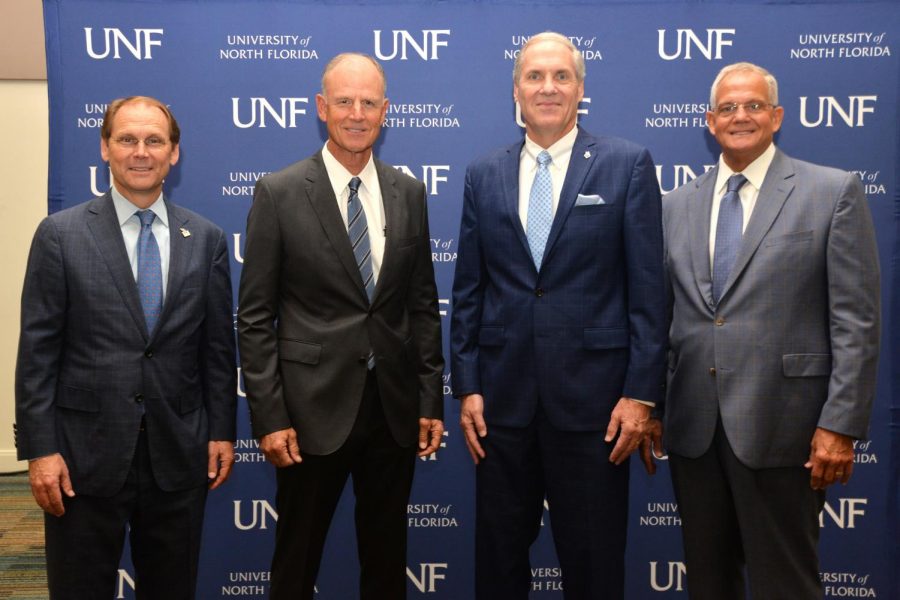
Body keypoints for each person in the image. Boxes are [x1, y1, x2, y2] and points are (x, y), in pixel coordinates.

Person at [450, 32, 667, 599]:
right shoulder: (482, 173)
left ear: (580, 89)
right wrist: (467, 386)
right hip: (501, 403)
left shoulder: (627, 165)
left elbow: (648, 292)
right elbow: (469, 290)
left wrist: (642, 394)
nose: (547, 87)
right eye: (534, 76)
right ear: (516, 89)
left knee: (593, 565)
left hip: (597, 407)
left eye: (561, 76)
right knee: (497, 564)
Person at [657, 62, 880, 599]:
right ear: (709, 122)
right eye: (728, 108)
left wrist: (840, 425)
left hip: (787, 430)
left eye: (753, 106)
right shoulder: (673, 206)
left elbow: (856, 320)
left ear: (776, 116)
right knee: (709, 584)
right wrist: (652, 405)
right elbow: (663, 318)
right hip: (694, 431)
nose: (741, 117)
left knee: (786, 584)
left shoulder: (832, 192)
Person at [237, 53, 444, 600]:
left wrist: (429, 401)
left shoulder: (409, 192)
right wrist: (270, 415)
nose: (357, 113)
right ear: (322, 108)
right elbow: (255, 317)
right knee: (297, 561)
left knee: (385, 560)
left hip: (393, 410)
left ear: (386, 111)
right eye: (345, 102)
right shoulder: (279, 193)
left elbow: (422, 305)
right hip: (309, 414)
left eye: (369, 102)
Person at [15, 96, 237, 599]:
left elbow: (218, 350)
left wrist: (222, 431)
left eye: (154, 140)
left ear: (174, 153)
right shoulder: (60, 235)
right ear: (105, 148)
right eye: (128, 139)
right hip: (82, 458)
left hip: (178, 456)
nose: (142, 152)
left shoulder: (206, 238)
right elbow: (37, 355)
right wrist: (40, 450)